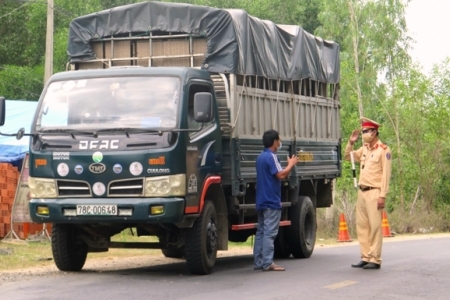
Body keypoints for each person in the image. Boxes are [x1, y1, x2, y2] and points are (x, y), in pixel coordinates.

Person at [344, 117, 392, 270]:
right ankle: (365, 256)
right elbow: (348, 157)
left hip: (374, 192)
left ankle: (375, 259)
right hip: (362, 191)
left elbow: (386, 174)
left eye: (366, 131)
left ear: (374, 132)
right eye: (363, 131)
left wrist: (382, 195)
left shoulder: (383, 150)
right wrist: (351, 143)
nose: (364, 133)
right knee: (362, 226)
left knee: (375, 226)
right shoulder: (364, 148)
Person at [254, 129, 298, 271]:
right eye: (279, 140)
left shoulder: (260, 157)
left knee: (261, 231)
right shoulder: (272, 157)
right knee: (269, 232)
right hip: (271, 200)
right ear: (274, 142)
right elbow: (280, 175)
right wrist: (291, 164)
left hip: (261, 199)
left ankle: (258, 262)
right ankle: (268, 263)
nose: (280, 142)